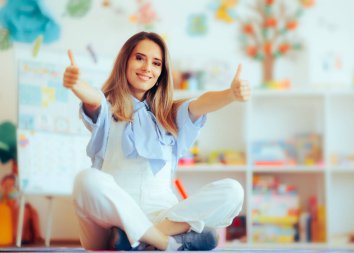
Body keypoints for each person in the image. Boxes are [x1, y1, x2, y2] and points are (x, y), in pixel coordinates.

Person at [63, 31, 251, 251]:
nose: (147, 68)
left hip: (164, 216)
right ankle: (161, 242)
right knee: (86, 180)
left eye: (156, 63)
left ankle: (140, 240)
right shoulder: (108, 108)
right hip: (112, 222)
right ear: (125, 61)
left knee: (233, 190)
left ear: (162, 72)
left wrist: (230, 94)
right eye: (139, 58)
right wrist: (76, 85)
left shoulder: (170, 115)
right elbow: (93, 99)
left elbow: (202, 103)